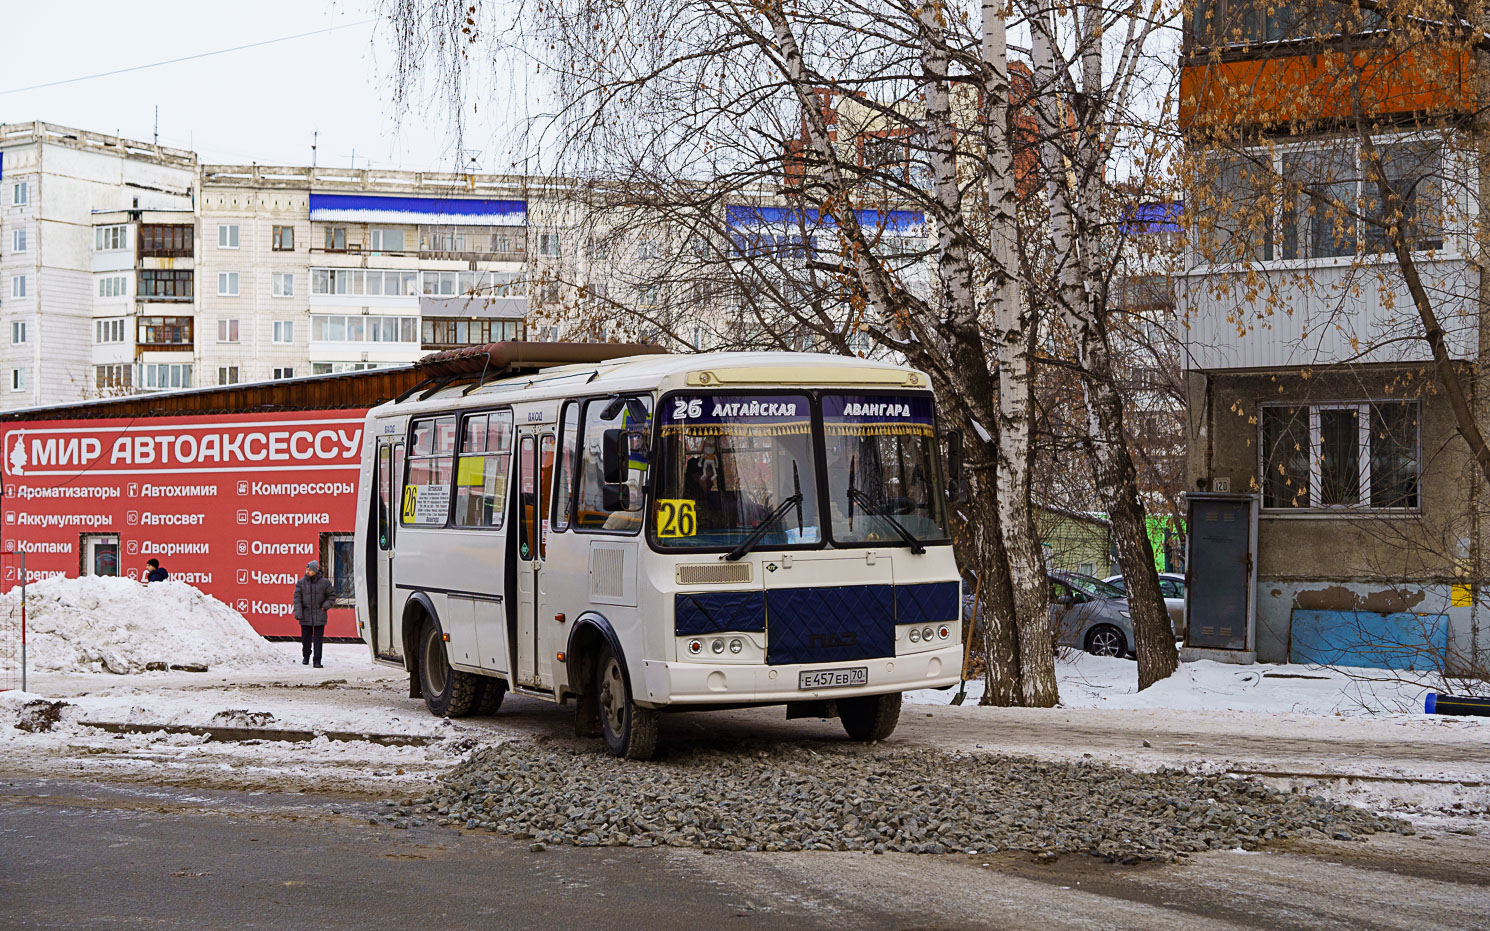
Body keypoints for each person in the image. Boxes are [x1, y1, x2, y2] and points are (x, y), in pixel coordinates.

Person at [292, 560, 335, 668]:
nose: (307, 572)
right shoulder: (301, 583)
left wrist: (324, 607)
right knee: (305, 639)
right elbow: (297, 599)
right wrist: (298, 613)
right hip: (305, 615)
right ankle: (306, 655)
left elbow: (332, 596)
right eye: (307, 569)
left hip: (319, 614)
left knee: (318, 640)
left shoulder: (325, 583)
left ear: (315, 571)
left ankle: (317, 660)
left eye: (310, 570)